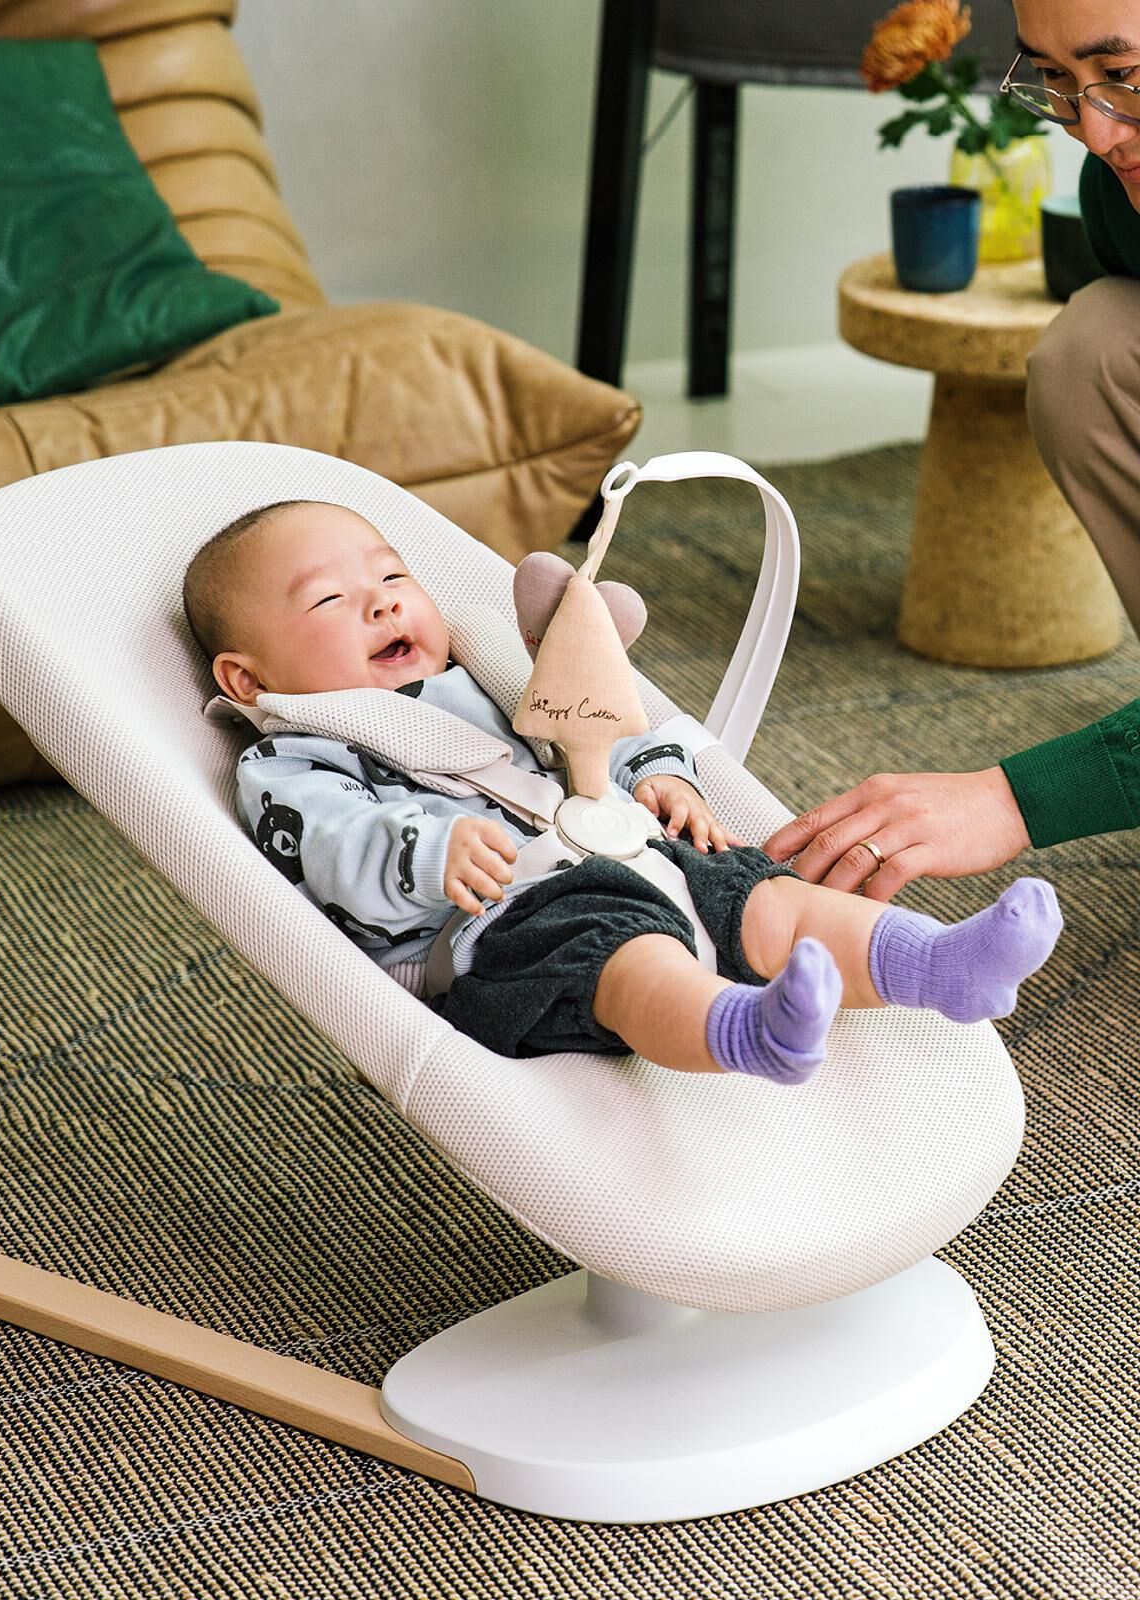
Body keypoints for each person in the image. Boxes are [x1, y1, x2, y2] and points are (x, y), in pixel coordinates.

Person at [182, 499, 1062, 1083]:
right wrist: (426, 849)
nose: (380, 605)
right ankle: (746, 1033)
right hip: (501, 930)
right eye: (330, 599)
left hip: (639, 853)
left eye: (392, 579)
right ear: (248, 679)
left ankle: (942, 964)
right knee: (621, 955)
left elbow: (601, 714)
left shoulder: (486, 670)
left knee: (764, 893)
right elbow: (331, 844)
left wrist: (662, 777)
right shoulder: (292, 761)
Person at [764, 0, 1140, 898]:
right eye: (1054, 79)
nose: (1092, 129)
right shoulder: (1117, 192)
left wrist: (1018, 799)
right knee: (1094, 348)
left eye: (1123, 75)